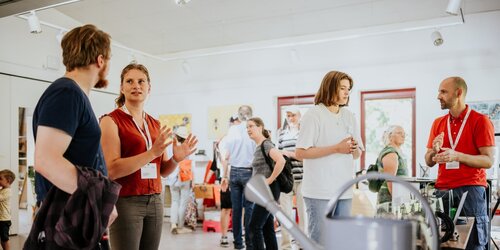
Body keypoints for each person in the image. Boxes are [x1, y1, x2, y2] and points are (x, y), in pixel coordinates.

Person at [30, 24, 118, 249]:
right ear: (101, 60)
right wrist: (99, 202)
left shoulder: (73, 94)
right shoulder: (66, 93)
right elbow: (46, 160)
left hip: (76, 214)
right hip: (67, 216)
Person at [100, 63, 198, 250]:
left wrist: (176, 159)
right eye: (129, 81)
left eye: (141, 81)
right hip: (126, 201)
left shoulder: (155, 123)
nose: (136, 85)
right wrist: (152, 152)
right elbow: (112, 169)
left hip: (155, 200)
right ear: (122, 87)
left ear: (149, 88)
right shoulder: (110, 121)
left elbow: (162, 172)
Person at [425, 76, 495, 250]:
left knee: (473, 244)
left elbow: (488, 161)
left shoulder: (480, 121)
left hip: (470, 191)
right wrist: (434, 151)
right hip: (442, 192)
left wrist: (457, 156)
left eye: (443, 91)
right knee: (444, 244)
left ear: (458, 93)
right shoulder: (438, 123)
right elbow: (428, 161)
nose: (438, 96)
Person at [295, 70, 363, 244]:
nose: (347, 93)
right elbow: (300, 153)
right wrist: (336, 148)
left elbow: (357, 154)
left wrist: (353, 148)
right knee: (321, 243)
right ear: (330, 87)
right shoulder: (314, 114)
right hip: (319, 191)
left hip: (344, 191)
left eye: (348, 88)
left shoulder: (349, 116)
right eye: (342, 88)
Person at [246, 117, 286, 250]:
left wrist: (269, 179)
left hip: (268, 190)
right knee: (267, 227)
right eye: (247, 127)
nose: (248, 129)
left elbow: (281, 161)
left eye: (251, 126)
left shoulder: (266, 144)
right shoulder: (258, 146)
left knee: (254, 227)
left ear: (260, 127)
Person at [220, 105, 255, 249]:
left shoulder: (232, 130)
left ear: (238, 116)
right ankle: (249, 242)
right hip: (249, 172)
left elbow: (226, 156)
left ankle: (238, 244)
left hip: (233, 172)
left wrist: (224, 176)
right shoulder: (253, 129)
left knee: (236, 209)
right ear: (251, 115)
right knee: (249, 209)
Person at [277, 106, 306, 250]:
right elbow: (278, 155)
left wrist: (289, 154)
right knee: (285, 214)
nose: (290, 118)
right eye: (288, 115)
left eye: (293, 115)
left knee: (303, 214)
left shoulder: (304, 134)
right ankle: (286, 245)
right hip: (285, 179)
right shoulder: (281, 135)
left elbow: (306, 157)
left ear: (300, 116)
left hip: (302, 178)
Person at [217, 114, 239, 247]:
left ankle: (239, 234)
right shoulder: (225, 140)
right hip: (228, 178)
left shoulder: (243, 139)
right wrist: (225, 177)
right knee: (226, 208)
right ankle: (224, 236)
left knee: (240, 208)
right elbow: (225, 159)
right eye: (234, 123)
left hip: (241, 176)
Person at [167, 127, 194, 234]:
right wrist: (194, 181)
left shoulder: (170, 146)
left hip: (172, 177)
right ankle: (180, 226)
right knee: (183, 203)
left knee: (174, 201)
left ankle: (173, 224)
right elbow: (192, 165)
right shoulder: (188, 147)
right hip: (185, 177)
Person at [376, 125, 408, 207]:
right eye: (399, 133)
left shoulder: (397, 152)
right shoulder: (391, 152)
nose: (403, 135)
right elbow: (390, 180)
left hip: (396, 197)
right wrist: (398, 203)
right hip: (389, 201)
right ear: (390, 136)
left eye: (404, 133)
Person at [0, 170, 15, 250]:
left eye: (0, 179)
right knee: (2, 239)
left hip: (4, 220)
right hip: (1, 219)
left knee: (5, 239)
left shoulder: (8, 192)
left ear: (8, 181)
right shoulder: (2, 190)